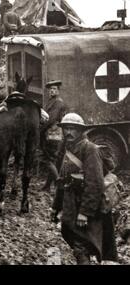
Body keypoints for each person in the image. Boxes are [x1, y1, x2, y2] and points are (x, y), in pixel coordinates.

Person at [51, 113, 118, 265]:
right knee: (76, 241)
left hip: (87, 207)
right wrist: (56, 207)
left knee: (81, 246)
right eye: (66, 128)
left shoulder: (89, 149)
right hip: (71, 205)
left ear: (80, 131)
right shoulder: (67, 148)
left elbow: (95, 183)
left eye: (73, 129)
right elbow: (62, 180)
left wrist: (84, 213)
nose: (68, 132)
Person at [41, 80, 67, 192]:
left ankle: (58, 183)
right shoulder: (51, 101)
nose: (52, 90)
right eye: (50, 89)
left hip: (54, 134)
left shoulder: (58, 102)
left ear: (58, 91)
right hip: (52, 134)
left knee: (48, 160)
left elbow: (51, 119)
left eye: (54, 89)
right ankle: (47, 186)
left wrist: (40, 130)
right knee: (52, 161)